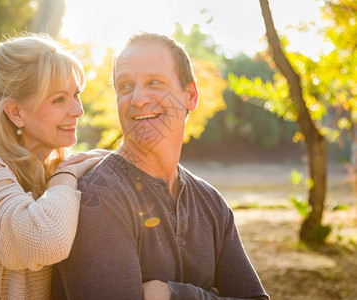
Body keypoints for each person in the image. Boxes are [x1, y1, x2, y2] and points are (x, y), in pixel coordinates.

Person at [53, 32, 269, 300]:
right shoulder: (99, 198)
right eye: (125, 86)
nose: (138, 98)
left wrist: (172, 294)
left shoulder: (212, 203)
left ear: (190, 95)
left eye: (154, 82)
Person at [0, 33, 107, 299]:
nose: (78, 110)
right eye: (58, 99)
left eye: (76, 95)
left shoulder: (53, 169)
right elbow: (43, 243)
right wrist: (66, 174)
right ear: (16, 113)